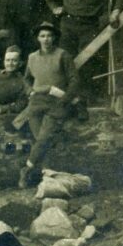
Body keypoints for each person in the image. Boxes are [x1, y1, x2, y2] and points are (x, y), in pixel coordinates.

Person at [17, 21, 82, 188]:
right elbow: (26, 79)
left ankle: (27, 169)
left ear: (54, 38)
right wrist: (29, 91)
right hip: (37, 102)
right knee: (41, 139)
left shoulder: (62, 55)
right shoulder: (32, 57)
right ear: (38, 38)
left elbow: (74, 80)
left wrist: (65, 99)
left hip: (57, 101)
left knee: (44, 137)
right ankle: (47, 177)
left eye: (49, 36)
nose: (46, 39)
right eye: (42, 36)